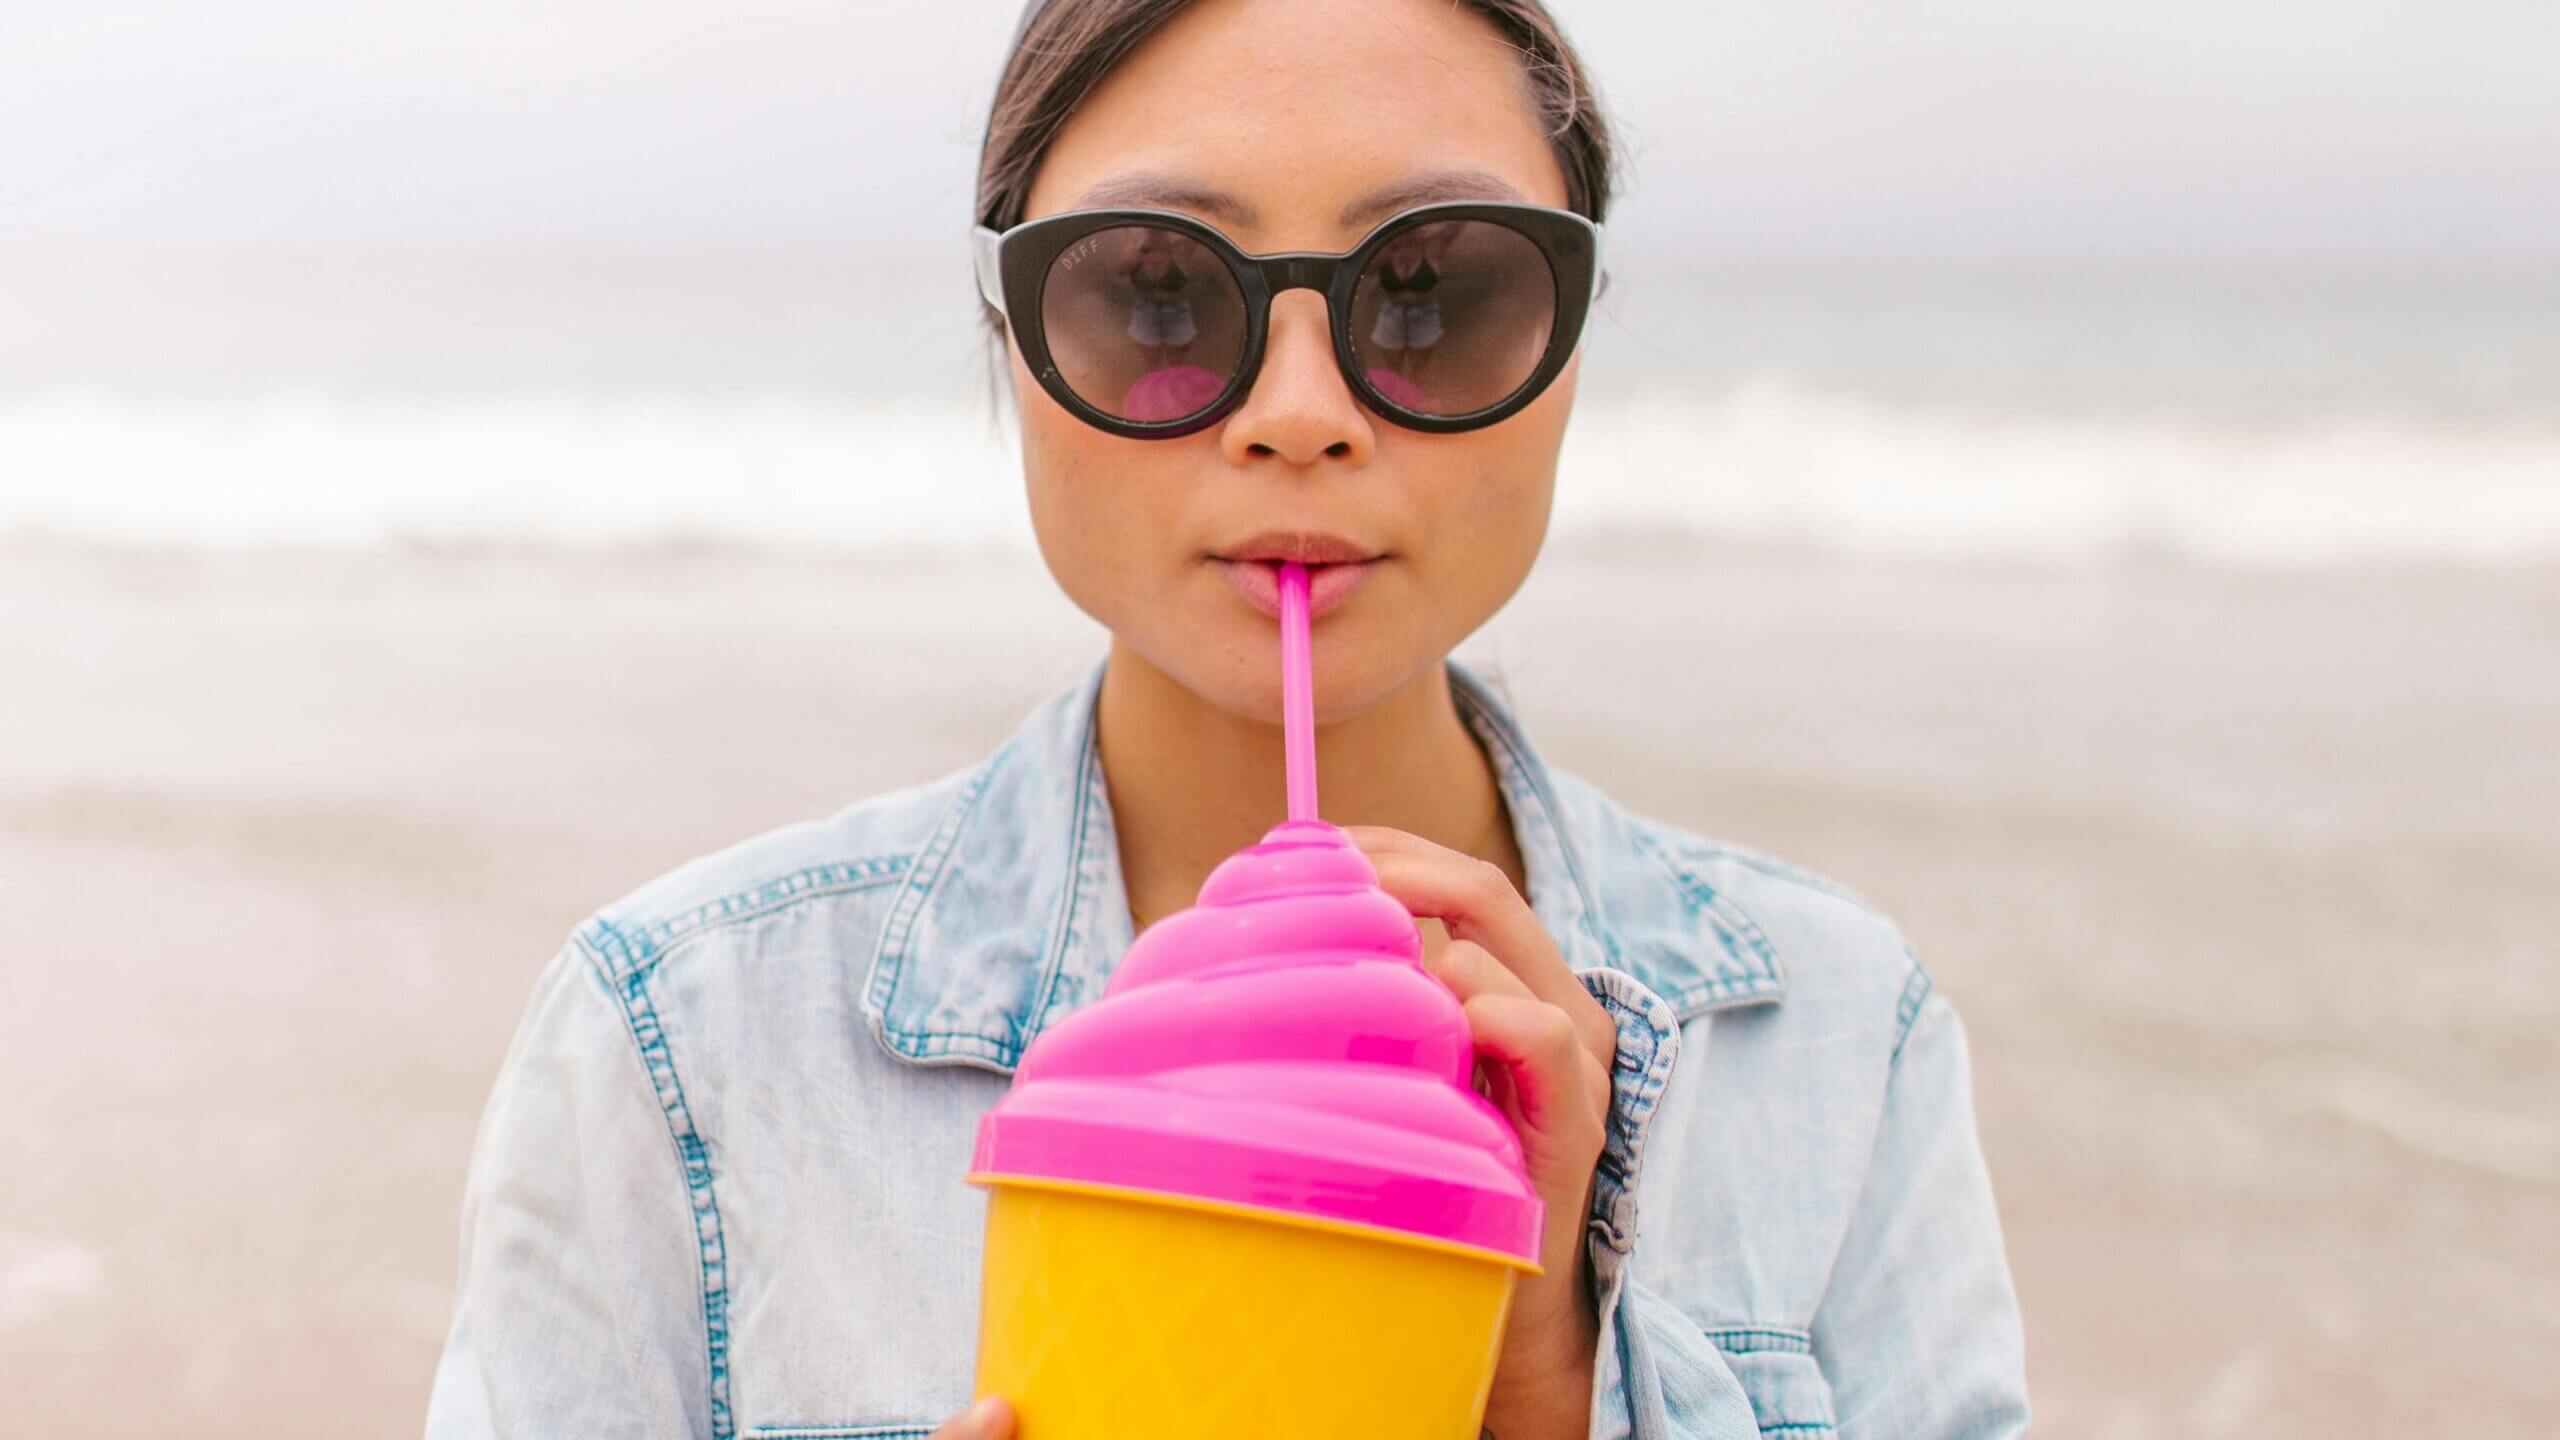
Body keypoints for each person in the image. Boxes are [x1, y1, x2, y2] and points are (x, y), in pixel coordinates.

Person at [424, 1, 2031, 1436]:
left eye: (1433, 293)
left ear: (1571, 341)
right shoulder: (682, 1044)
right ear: (1012, 335)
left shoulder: (1836, 1033)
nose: (1300, 416)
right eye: (1160, 300)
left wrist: (1552, 1390)